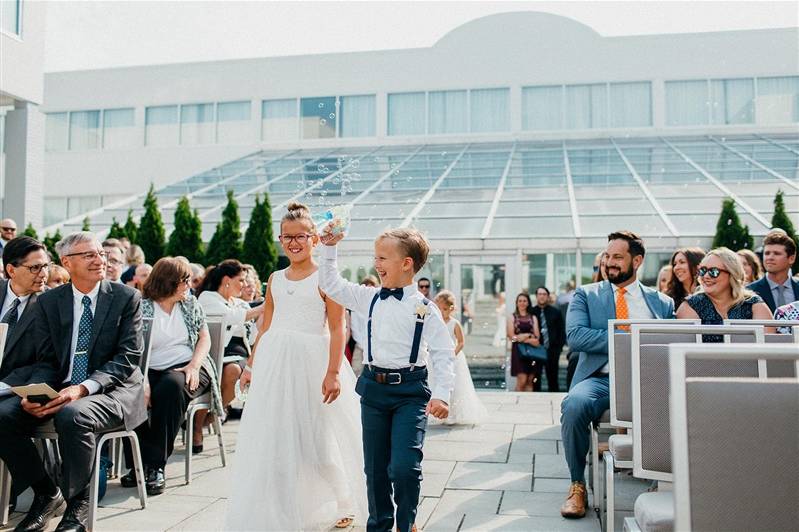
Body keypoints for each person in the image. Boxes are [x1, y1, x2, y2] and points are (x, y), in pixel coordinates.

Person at [225, 203, 366, 531]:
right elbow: (266, 326)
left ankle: (343, 500)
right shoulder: (274, 279)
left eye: (300, 236)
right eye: (287, 237)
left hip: (311, 364)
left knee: (318, 440)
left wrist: (332, 372)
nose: (293, 243)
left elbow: (337, 327)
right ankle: (284, 507)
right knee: (275, 438)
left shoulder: (325, 278)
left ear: (314, 239)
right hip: (275, 364)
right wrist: (251, 365)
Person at [0, 231, 145, 532]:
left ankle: (77, 506)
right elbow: (46, 361)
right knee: (4, 415)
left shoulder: (125, 298)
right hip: (62, 388)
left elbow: (127, 358)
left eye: (101, 254)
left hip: (111, 391)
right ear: (67, 262)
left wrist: (82, 388)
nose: (99, 260)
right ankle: (45, 493)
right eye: (89, 255)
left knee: (72, 414)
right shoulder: (50, 301)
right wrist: (35, 394)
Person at [319, 225, 455, 532]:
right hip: (373, 392)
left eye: (382, 257)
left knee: (405, 469)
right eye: (375, 257)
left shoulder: (425, 308)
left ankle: (406, 524)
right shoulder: (367, 297)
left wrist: (442, 393)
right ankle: (379, 525)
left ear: (406, 263)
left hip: (410, 393)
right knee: (376, 470)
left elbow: (444, 353)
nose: (376, 264)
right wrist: (329, 247)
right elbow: (330, 283)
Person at [560, 231, 674, 519]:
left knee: (679, 404)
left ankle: (661, 480)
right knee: (573, 405)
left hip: (648, 380)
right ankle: (577, 485)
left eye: (617, 257)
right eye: (607, 256)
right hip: (601, 380)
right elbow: (576, 337)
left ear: (637, 261)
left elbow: (670, 339)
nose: (609, 262)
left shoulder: (661, 302)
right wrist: (627, 336)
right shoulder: (586, 294)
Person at [118, 257, 221, 496]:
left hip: (188, 366)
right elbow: (131, 348)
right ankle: (137, 464)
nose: (189, 286)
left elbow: (204, 338)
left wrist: (194, 366)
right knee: (129, 393)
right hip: (146, 368)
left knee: (170, 388)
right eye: (184, 281)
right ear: (168, 282)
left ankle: (155, 467)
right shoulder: (140, 306)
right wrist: (142, 380)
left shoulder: (190, 304)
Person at [196, 260, 263, 447]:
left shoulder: (240, 303)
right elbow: (230, 317)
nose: (243, 285)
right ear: (227, 280)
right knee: (220, 373)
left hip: (239, 353)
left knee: (235, 371)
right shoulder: (208, 298)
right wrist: (265, 307)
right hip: (213, 351)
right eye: (240, 281)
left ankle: (212, 415)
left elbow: (251, 334)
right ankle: (197, 426)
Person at [677, 248, 772, 341]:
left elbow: (769, 348)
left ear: (732, 273)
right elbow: (686, 351)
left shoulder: (753, 304)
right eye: (703, 270)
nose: (706, 276)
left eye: (713, 272)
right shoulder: (690, 306)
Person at [0, 237, 51, 390]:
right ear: (11, 270)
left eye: (46, 266)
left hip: (17, 387)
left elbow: (46, 362)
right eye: (35, 268)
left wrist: (4, 385)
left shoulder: (52, 304)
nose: (43, 274)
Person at [429, 290, 486, 425]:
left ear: (451, 308)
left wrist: (453, 354)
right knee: (437, 383)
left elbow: (461, 342)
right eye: (439, 309)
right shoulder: (435, 323)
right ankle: (439, 412)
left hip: (453, 358)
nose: (441, 312)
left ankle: (455, 413)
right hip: (438, 358)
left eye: (444, 309)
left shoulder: (454, 323)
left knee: (456, 385)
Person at [747, 231, 798, 312]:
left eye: (777, 253)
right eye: (767, 253)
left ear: (791, 258)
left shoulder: (797, 287)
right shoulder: (749, 292)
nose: (770, 257)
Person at [531, 286, 566, 393]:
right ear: (536, 296)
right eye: (539, 294)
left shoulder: (555, 312)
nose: (542, 296)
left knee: (553, 378)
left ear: (548, 296)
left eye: (544, 294)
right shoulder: (531, 312)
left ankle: (554, 399)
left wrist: (559, 348)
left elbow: (561, 330)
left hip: (552, 350)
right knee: (536, 378)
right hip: (536, 349)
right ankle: (536, 400)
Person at [507, 292, 541, 392]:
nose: (522, 303)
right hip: (518, 352)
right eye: (520, 301)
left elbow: (537, 337)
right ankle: (515, 404)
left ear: (528, 303)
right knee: (522, 380)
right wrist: (529, 337)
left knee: (530, 381)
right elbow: (511, 337)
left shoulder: (533, 317)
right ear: (517, 303)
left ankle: (529, 405)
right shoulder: (512, 317)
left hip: (532, 352)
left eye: (524, 301)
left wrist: (524, 337)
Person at [347, 275, 378, 376]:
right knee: (356, 370)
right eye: (367, 288)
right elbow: (355, 328)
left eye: (372, 288)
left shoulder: (379, 306)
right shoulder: (357, 307)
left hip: (376, 347)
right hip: (360, 346)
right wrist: (363, 344)